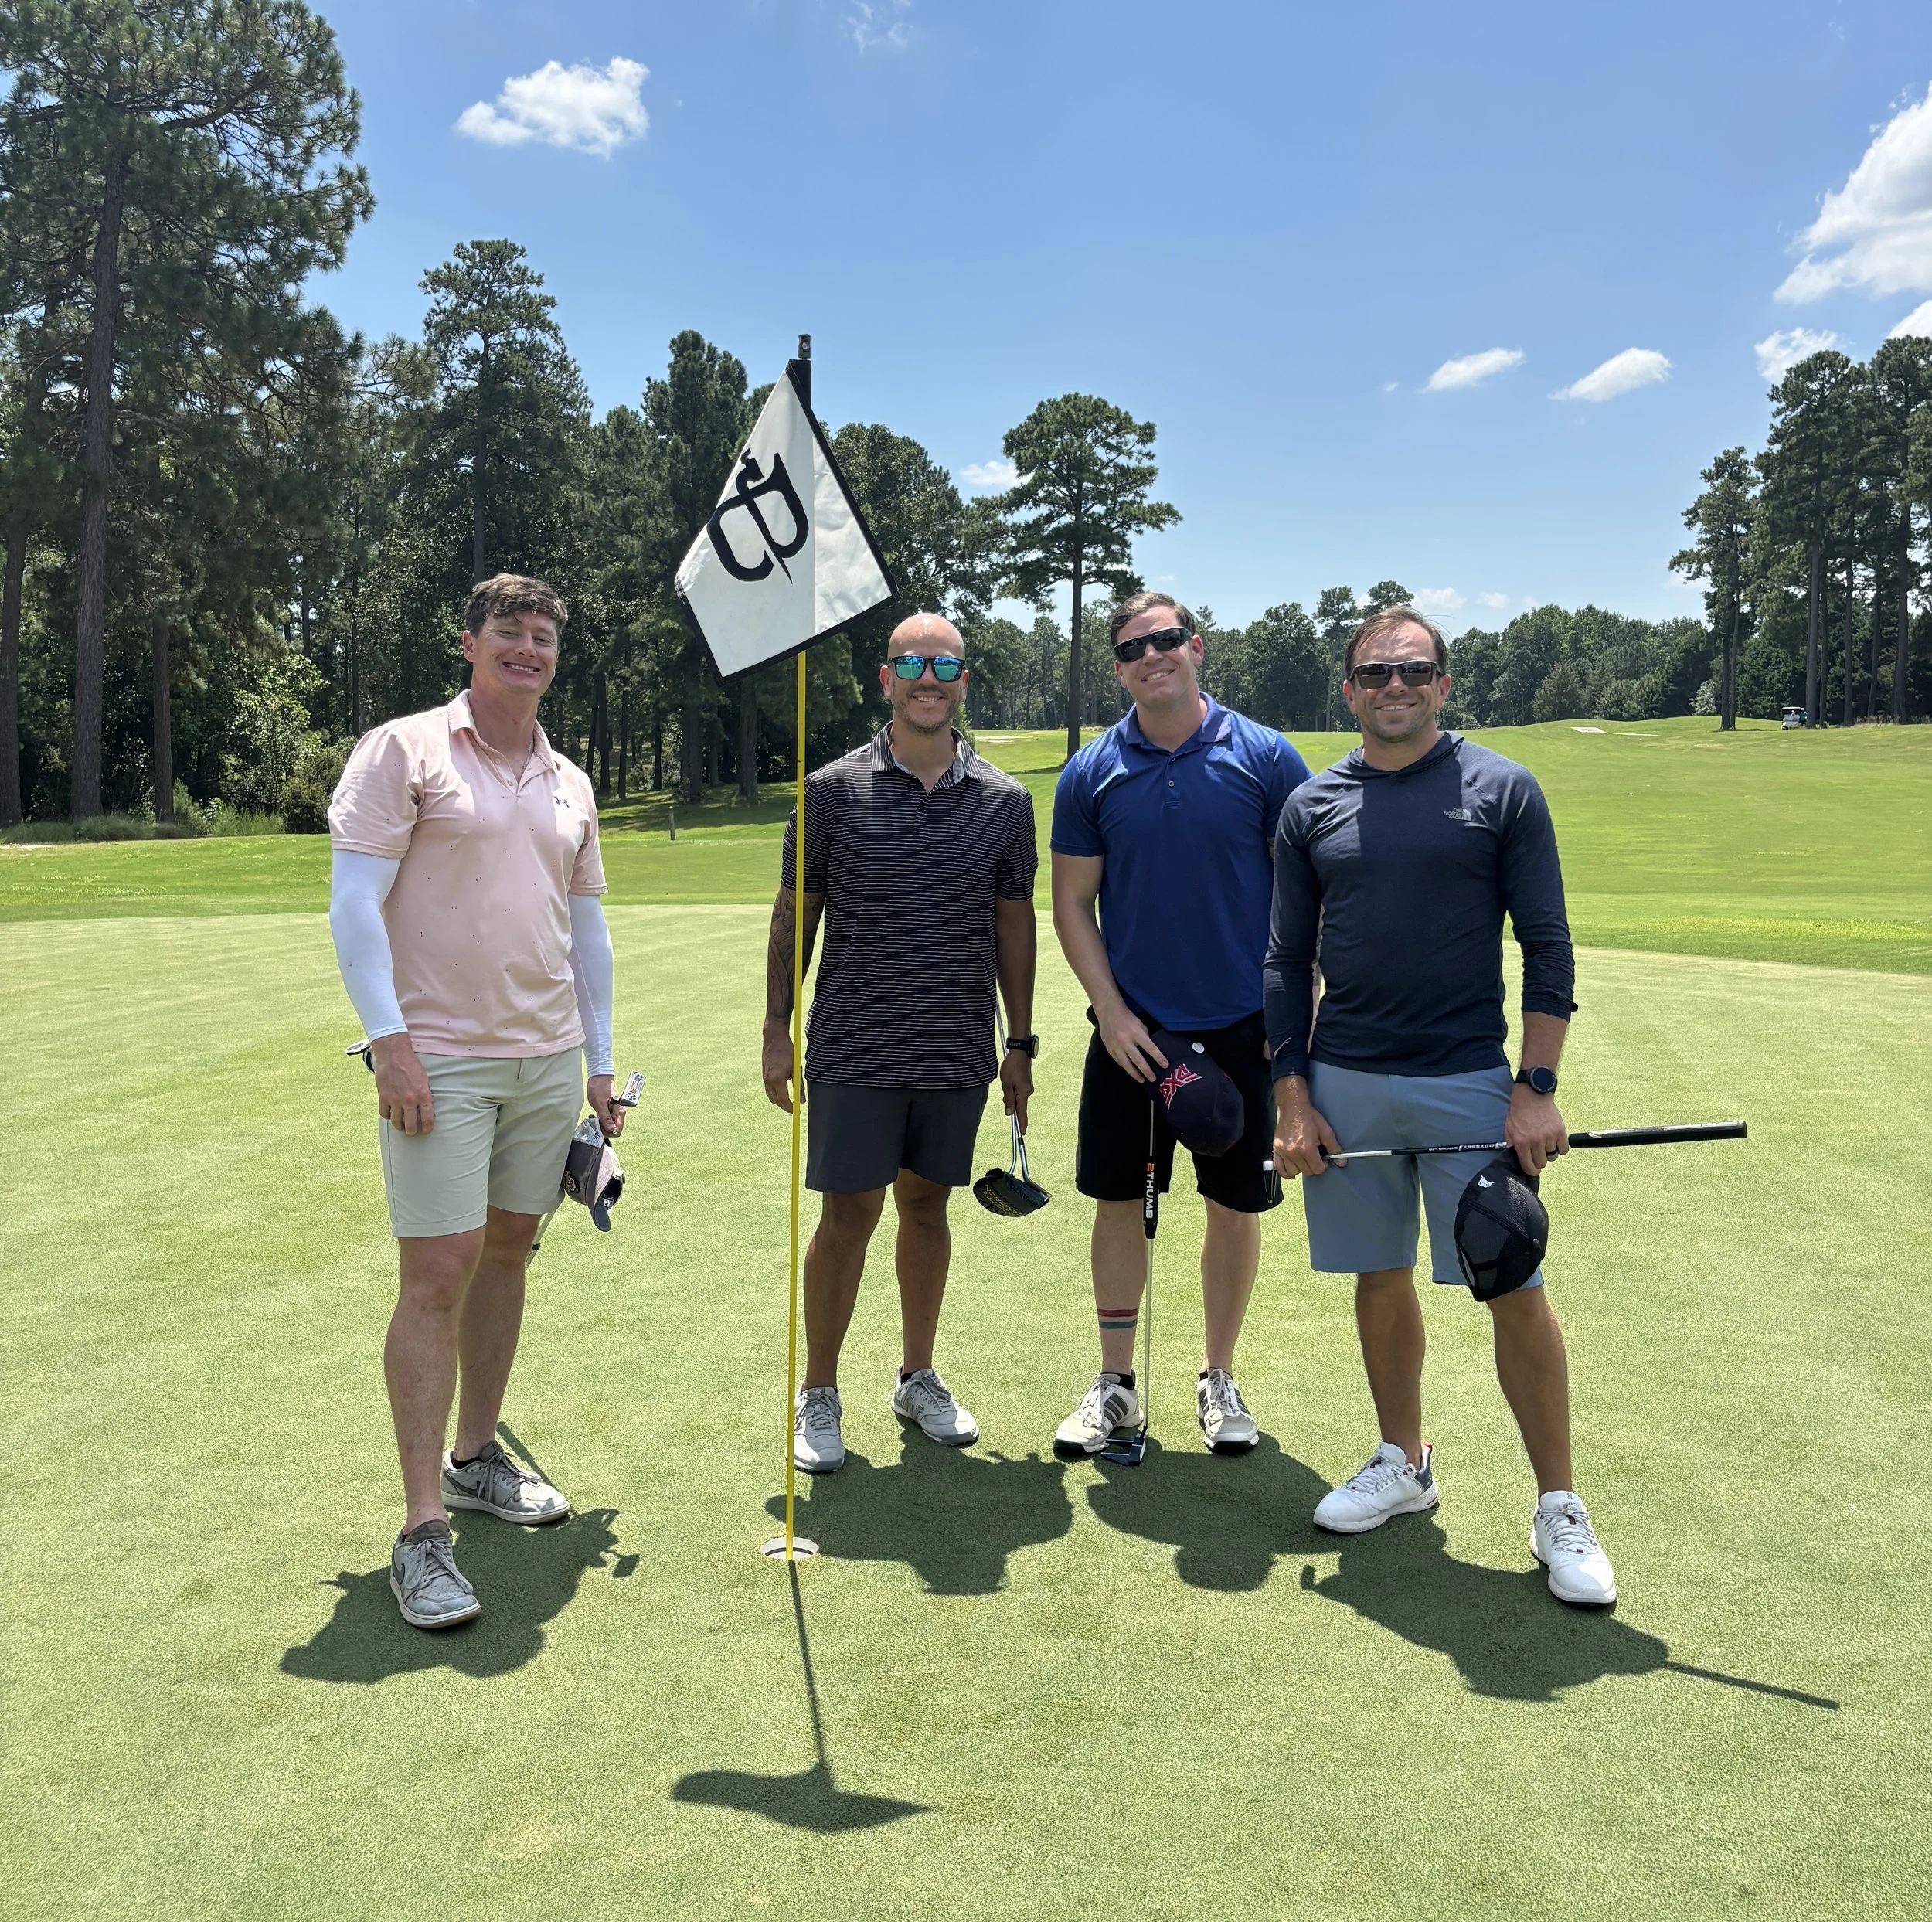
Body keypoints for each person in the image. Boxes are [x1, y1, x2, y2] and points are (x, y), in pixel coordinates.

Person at [1264, 605, 1617, 1606]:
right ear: (1349, 690)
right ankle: (1403, 1459)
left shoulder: (1503, 789)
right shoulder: (1312, 806)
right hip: (1346, 1084)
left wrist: (1536, 1086)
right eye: (1374, 672)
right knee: (1379, 1278)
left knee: (1514, 1281)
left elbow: (1547, 946)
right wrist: (1293, 1096)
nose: (1394, 686)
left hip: (1469, 1078)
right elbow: (1287, 961)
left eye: (1413, 669)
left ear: (1444, 682)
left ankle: (1559, 1503)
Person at [327, 573, 623, 1630]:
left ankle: (474, 1455)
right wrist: (391, 1043)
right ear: (470, 643)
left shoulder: (568, 780)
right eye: (511, 632)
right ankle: (421, 1530)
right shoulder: (403, 752)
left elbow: (585, 929)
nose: (529, 648)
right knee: (437, 1272)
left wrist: (599, 1059)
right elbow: (353, 903)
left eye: (544, 636)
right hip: (439, 1057)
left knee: (509, 1250)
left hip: (546, 1059)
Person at [762, 612, 1038, 1475]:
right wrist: (777, 1026)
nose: (929, 677)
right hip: (851, 1044)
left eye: (945, 664)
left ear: (963, 681)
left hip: (955, 1047)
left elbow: (1013, 927)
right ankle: (819, 1391)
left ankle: (916, 1376)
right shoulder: (830, 790)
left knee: (927, 1209)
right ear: (885, 678)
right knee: (849, 1218)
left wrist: (1019, 1043)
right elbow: (793, 914)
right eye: (912, 662)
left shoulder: (1005, 801)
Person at [1049, 592, 1309, 1458]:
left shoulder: (1266, 756)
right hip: (1133, 1034)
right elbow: (1072, 905)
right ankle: (1115, 1383)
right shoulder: (1091, 771)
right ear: (1118, 667)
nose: (1150, 655)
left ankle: (1218, 1376)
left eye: (1165, 640)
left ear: (1196, 647)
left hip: (1243, 1027)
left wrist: (1293, 1011)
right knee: (1117, 1202)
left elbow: (1310, 895)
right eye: (1132, 648)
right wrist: (1112, 1013)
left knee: (1234, 1205)